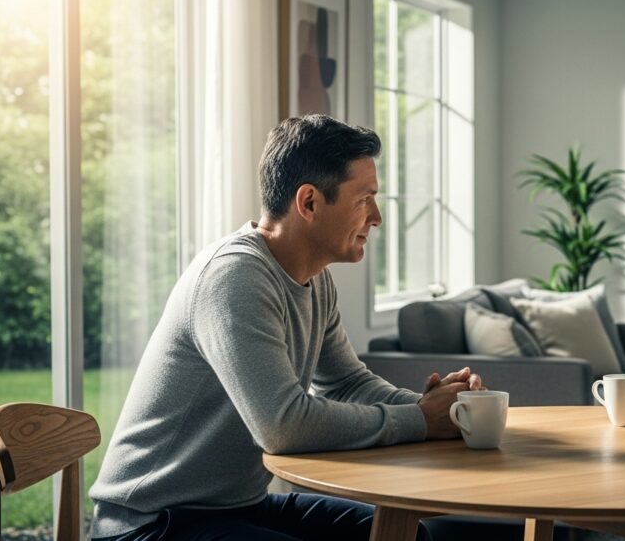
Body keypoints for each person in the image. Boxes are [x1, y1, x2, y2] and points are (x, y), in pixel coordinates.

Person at [90, 115, 482, 541]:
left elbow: (346, 382)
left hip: (236, 508)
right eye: (364, 199)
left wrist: (444, 407)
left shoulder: (313, 279)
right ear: (309, 203)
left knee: (404, 535)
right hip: (150, 523)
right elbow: (282, 426)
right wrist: (421, 420)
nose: (377, 217)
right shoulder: (235, 277)